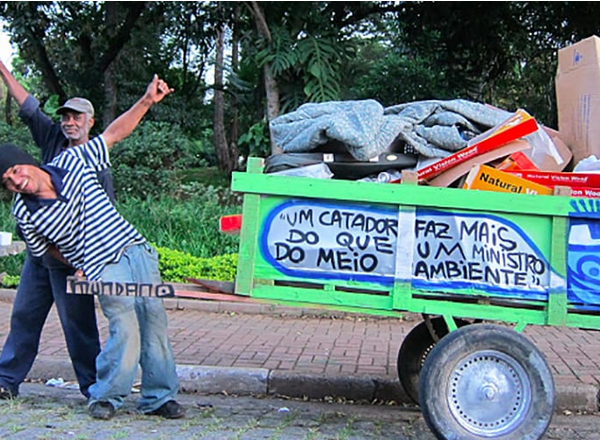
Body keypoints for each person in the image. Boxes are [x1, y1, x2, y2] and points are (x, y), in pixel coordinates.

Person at [0, 74, 184, 420]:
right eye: (6, 181)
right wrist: (76, 262)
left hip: (135, 249)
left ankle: (159, 397)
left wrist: (146, 100)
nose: (14, 179)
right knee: (124, 324)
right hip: (98, 261)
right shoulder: (24, 208)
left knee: (153, 319)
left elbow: (115, 133)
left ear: (27, 161)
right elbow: (45, 251)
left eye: (14, 170)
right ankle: (105, 396)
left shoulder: (75, 160)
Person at [0, 59, 104, 400]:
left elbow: (102, 218)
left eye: (77, 117)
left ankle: (93, 388)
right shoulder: (51, 140)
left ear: (91, 122)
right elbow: (28, 106)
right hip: (38, 257)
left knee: (79, 326)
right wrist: (2, 68)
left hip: (72, 261)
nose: (70, 122)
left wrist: (86, 262)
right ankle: (6, 380)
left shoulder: (98, 164)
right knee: (24, 316)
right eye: (66, 117)